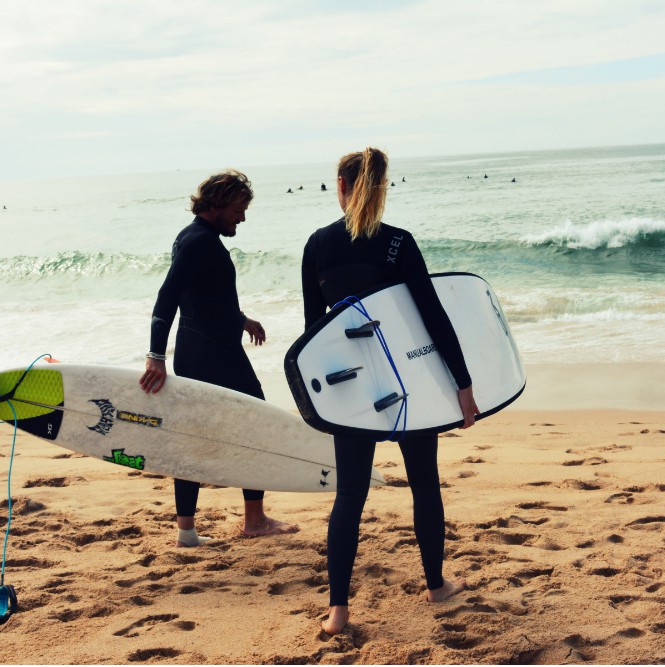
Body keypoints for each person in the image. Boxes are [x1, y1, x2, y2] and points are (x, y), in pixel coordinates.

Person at [301, 147, 479, 635]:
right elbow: (431, 319)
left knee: (350, 495)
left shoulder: (316, 245)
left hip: (351, 389)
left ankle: (338, 611)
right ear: (381, 189)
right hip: (408, 385)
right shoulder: (399, 244)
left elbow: (313, 334)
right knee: (424, 482)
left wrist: (320, 401)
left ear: (339, 186)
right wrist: (463, 385)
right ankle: (436, 587)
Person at [139, 169, 297, 547]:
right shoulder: (200, 242)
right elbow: (167, 299)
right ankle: (254, 520)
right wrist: (155, 355)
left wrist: (242, 320)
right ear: (219, 203)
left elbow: (205, 298)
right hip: (215, 356)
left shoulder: (192, 237)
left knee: (191, 437)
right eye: (239, 208)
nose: (242, 217)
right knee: (256, 423)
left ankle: (187, 532)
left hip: (202, 351)